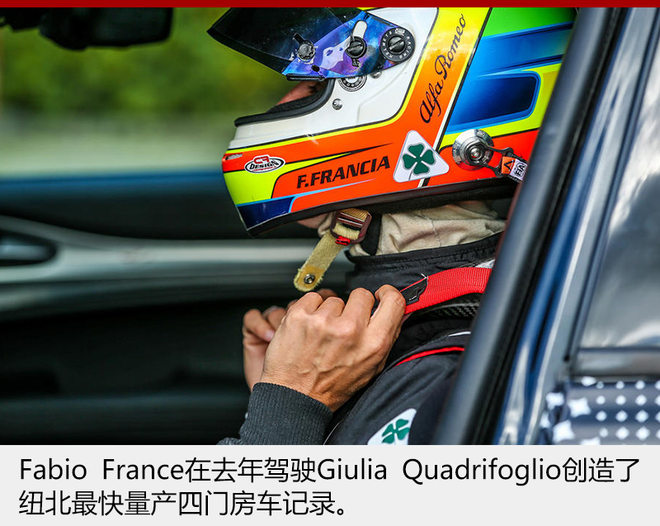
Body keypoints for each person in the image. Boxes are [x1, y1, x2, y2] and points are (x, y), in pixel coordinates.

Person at [212, 7, 575, 444]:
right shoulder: (464, 324)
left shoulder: (442, 376)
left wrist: (290, 401)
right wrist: (295, 388)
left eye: (316, 86)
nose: (282, 105)